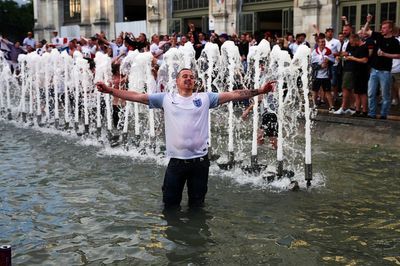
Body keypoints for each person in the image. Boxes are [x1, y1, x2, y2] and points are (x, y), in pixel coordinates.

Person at [95, 68, 275, 209]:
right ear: (177, 81)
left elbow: (235, 94)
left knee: (198, 205)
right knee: (170, 205)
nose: (189, 79)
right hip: (177, 163)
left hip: (200, 162)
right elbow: (137, 96)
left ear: (195, 82)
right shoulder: (166, 98)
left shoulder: (205, 98)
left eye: (191, 77)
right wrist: (110, 90)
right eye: (185, 76)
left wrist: (260, 90)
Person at [362, 15, 400, 119]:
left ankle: (383, 115)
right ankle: (372, 114)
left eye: (384, 28)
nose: (382, 29)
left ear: (390, 29)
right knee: (371, 93)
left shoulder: (395, 41)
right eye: (382, 27)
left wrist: (385, 54)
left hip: (385, 72)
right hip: (374, 70)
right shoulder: (378, 36)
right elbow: (364, 32)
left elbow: (398, 55)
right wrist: (368, 22)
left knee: (385, 96)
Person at [311, 35, 335, 112]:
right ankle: (314, 105)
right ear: (318, 43)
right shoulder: (314, 52)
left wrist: (328, 61)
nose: (323, 43)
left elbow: (333, 61)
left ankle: (331, 106)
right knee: (315, 91)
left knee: (328, 91)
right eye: (321, 42)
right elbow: (312, 65)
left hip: (326, 75)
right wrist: (320, 66)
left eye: (324, 42)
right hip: (317, 75)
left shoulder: (328, 51)